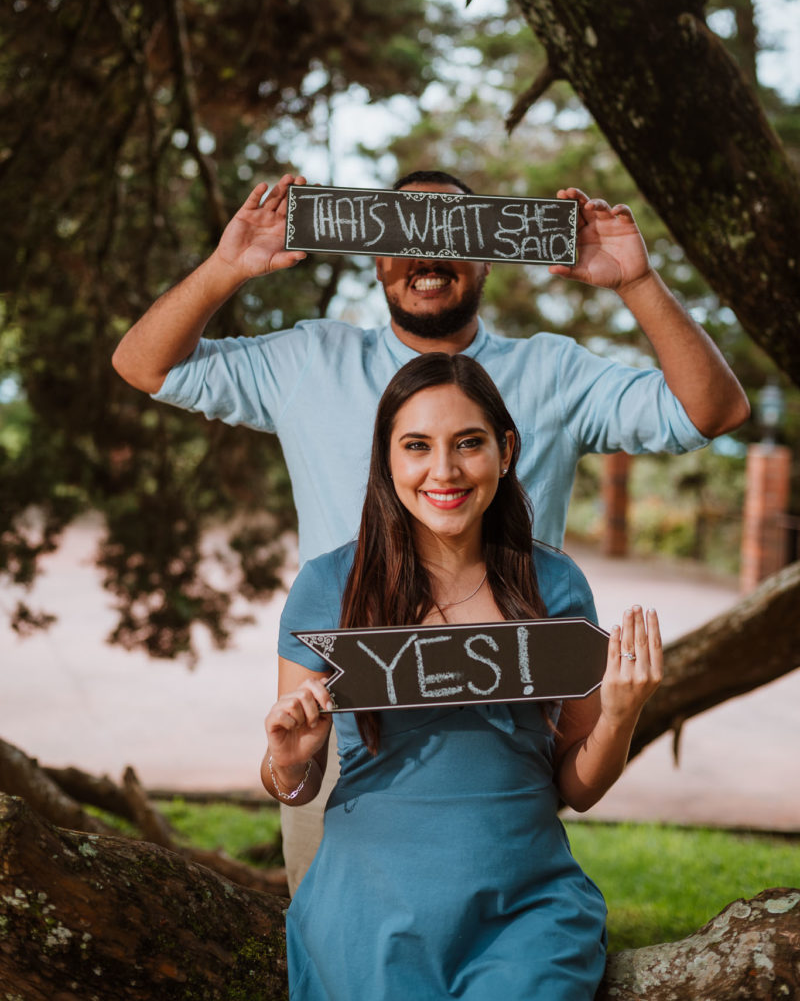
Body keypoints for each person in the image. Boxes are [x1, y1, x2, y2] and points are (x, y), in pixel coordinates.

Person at [111, 168, 749, 891]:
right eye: (404, 232)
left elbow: (713, 412)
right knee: (345, 931)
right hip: (342, 720)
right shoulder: (309, 361)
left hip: (502, 739)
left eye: (454, 232)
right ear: (375, 256)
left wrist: (637, 282)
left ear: (488, 257)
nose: (428, 250)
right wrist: (227, 267)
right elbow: (142, 363)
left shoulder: (553, 372)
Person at [262, 352, 663, 999]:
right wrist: (288, 761)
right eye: (417, 445)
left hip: (526, 903)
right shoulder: (328, 585)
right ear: (386, 458)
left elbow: (578, 788)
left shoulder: (556, 584)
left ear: (506, 451)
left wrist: (620, 715)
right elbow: (292, 783)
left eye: (468, 443)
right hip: (371, 900)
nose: (444, 470)